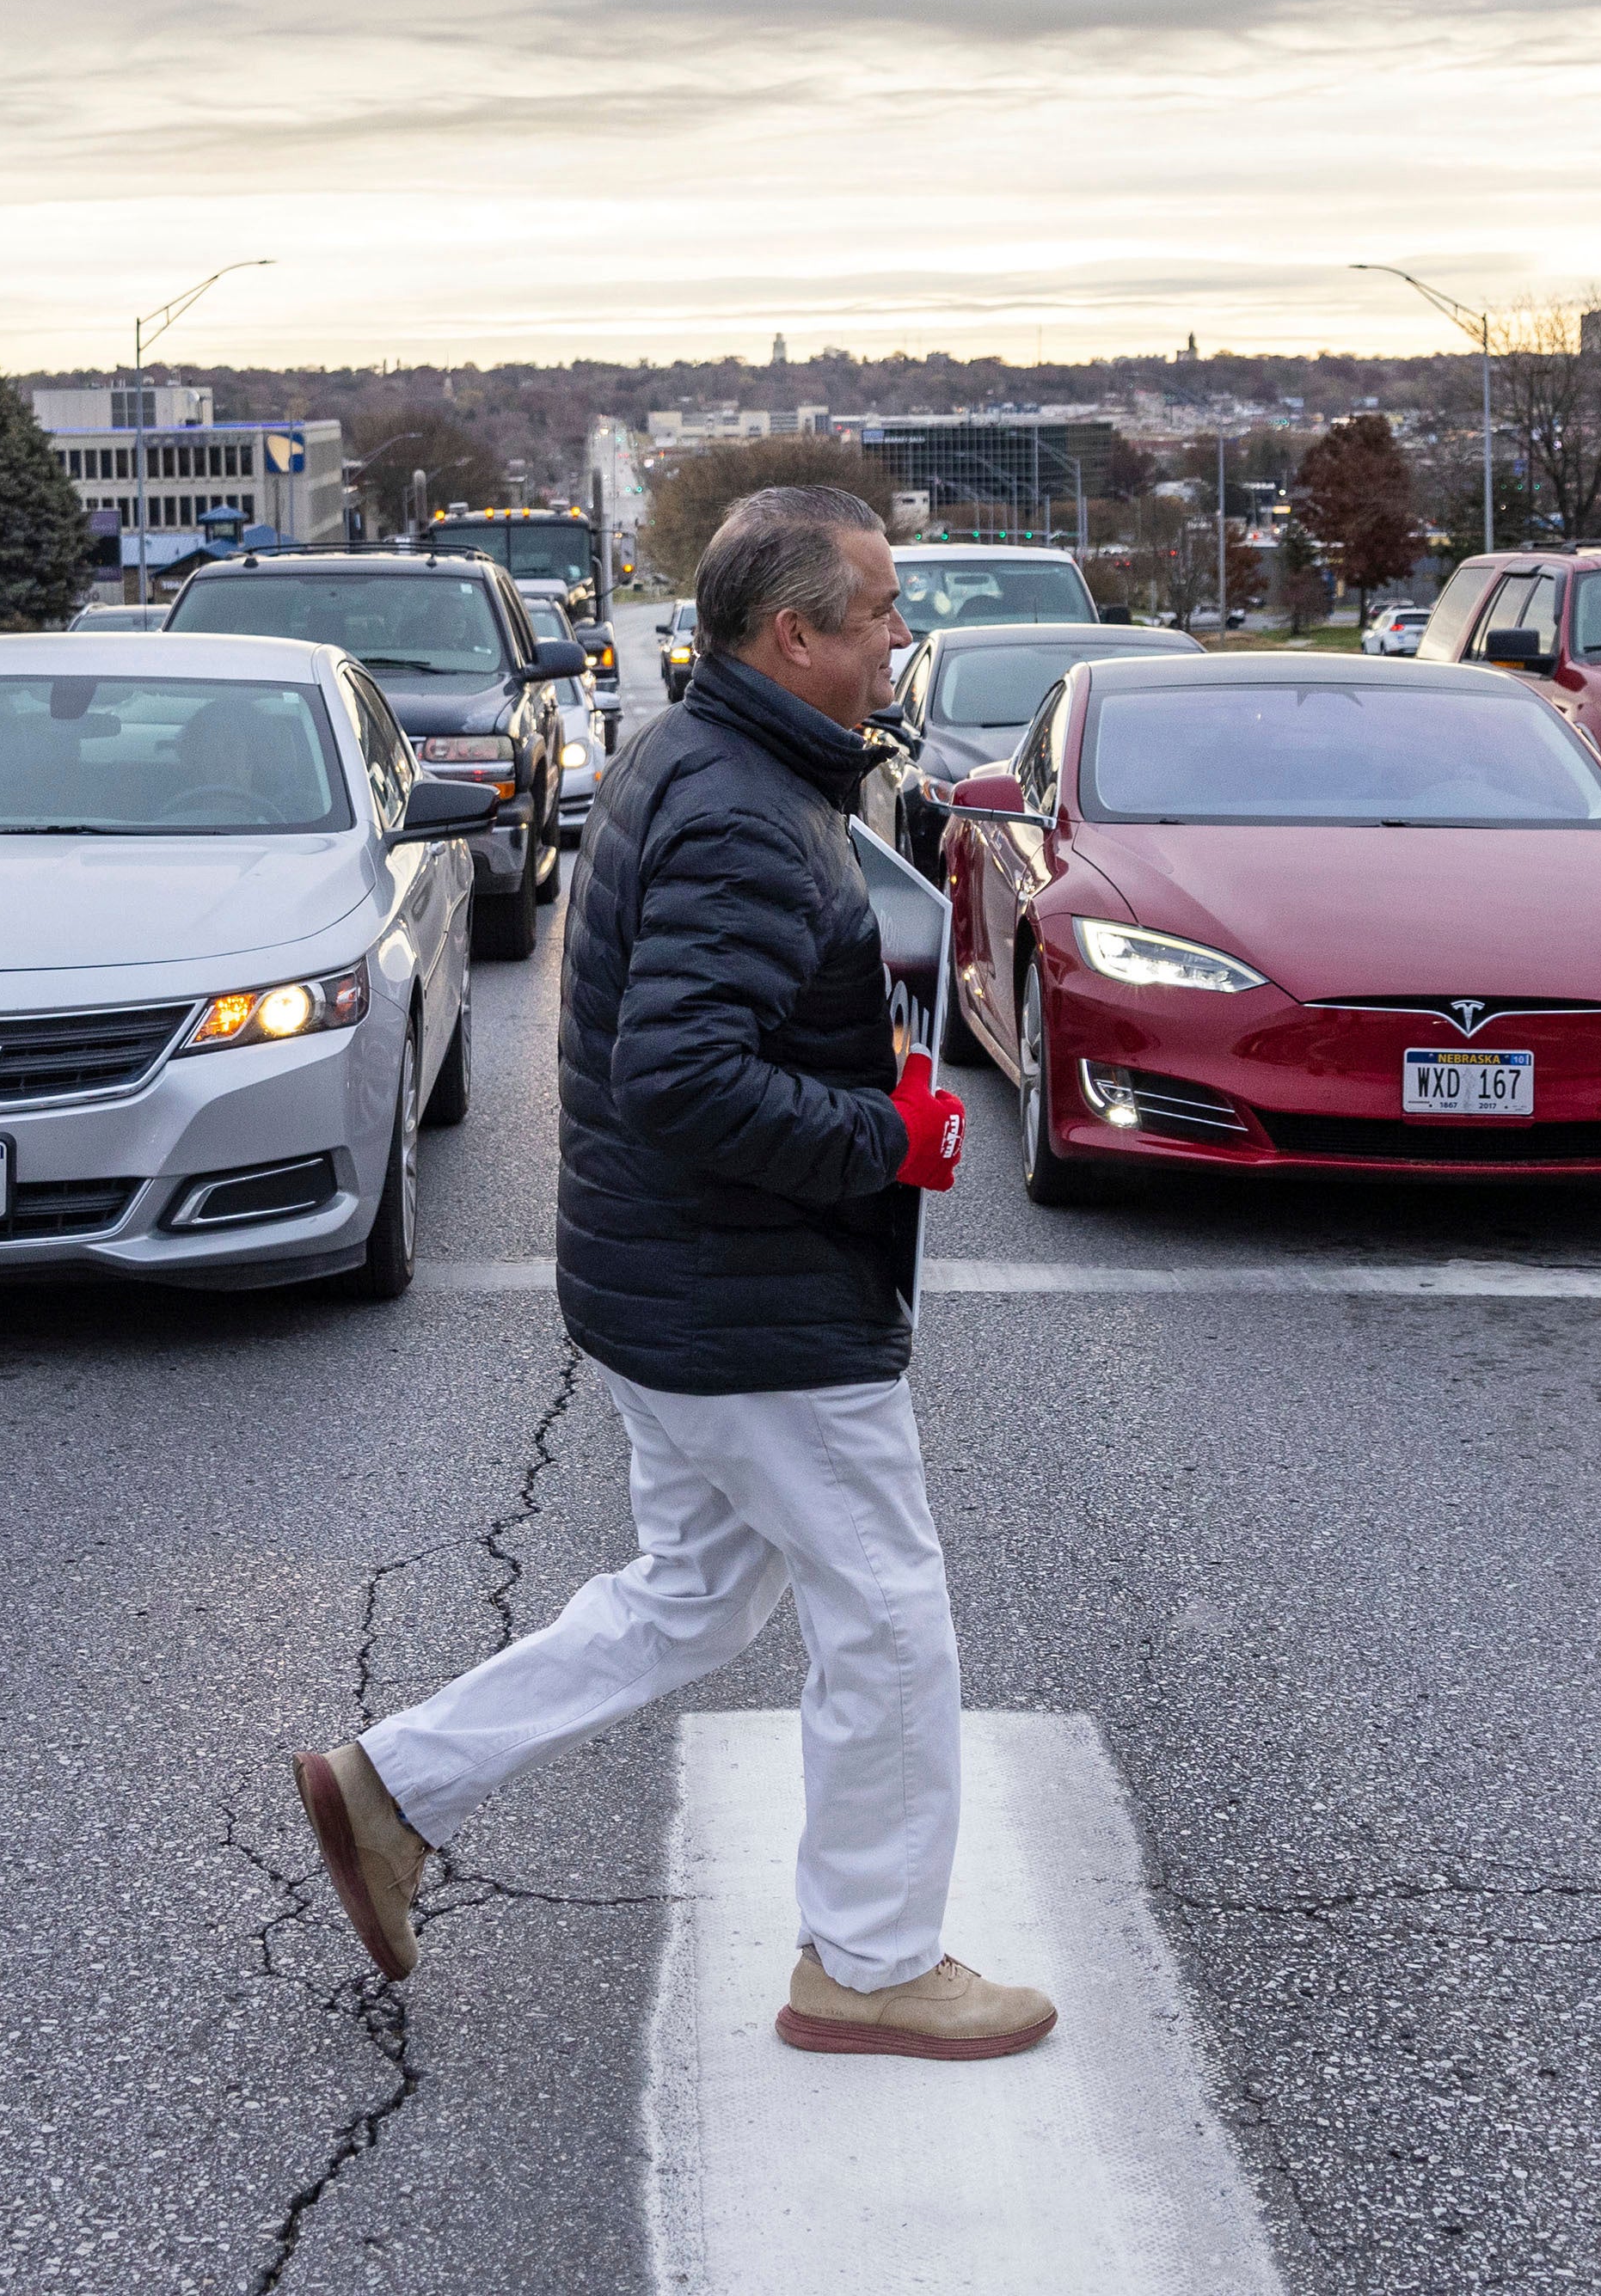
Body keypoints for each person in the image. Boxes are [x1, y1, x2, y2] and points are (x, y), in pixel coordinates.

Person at [289, 485, 1039, 2060]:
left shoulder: (710, 763)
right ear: (794, 637)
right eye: (880, 611)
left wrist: (861, 1094)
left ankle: (395, 1784)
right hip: (746, 1302)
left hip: (675, 1285)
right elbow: (682, 1078)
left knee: (692, 1600)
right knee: (890, 1619)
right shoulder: (739, 809)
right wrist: (882, 1140)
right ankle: (874, 1961)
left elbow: (698, 1043)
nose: (902, 635)